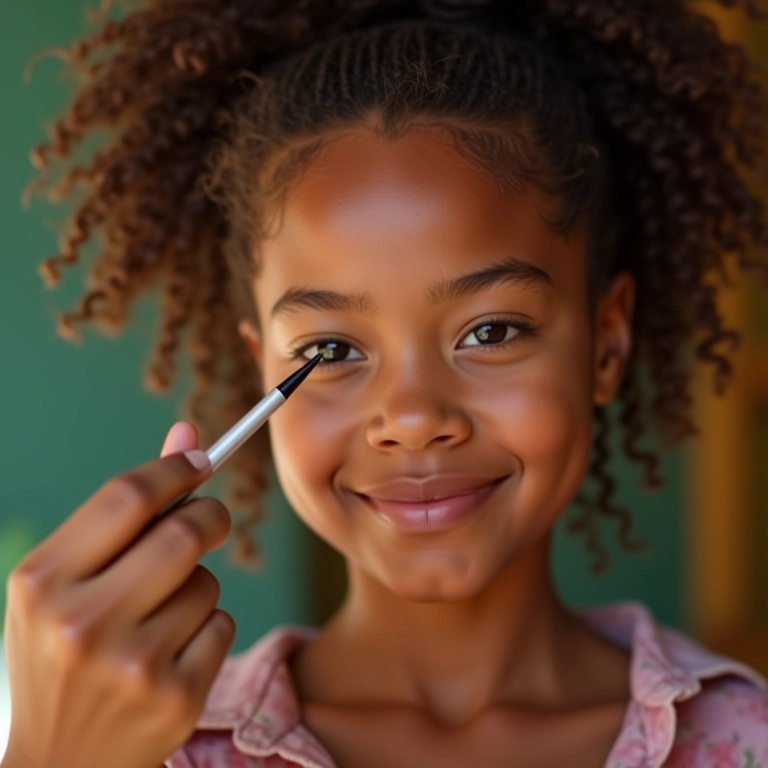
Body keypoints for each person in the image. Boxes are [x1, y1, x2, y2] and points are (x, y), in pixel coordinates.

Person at [4, 1, 768, 766]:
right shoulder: (151, 751)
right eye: (330, 348)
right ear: (259, 372)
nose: (410, 417)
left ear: (606, 344)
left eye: (491, 332)